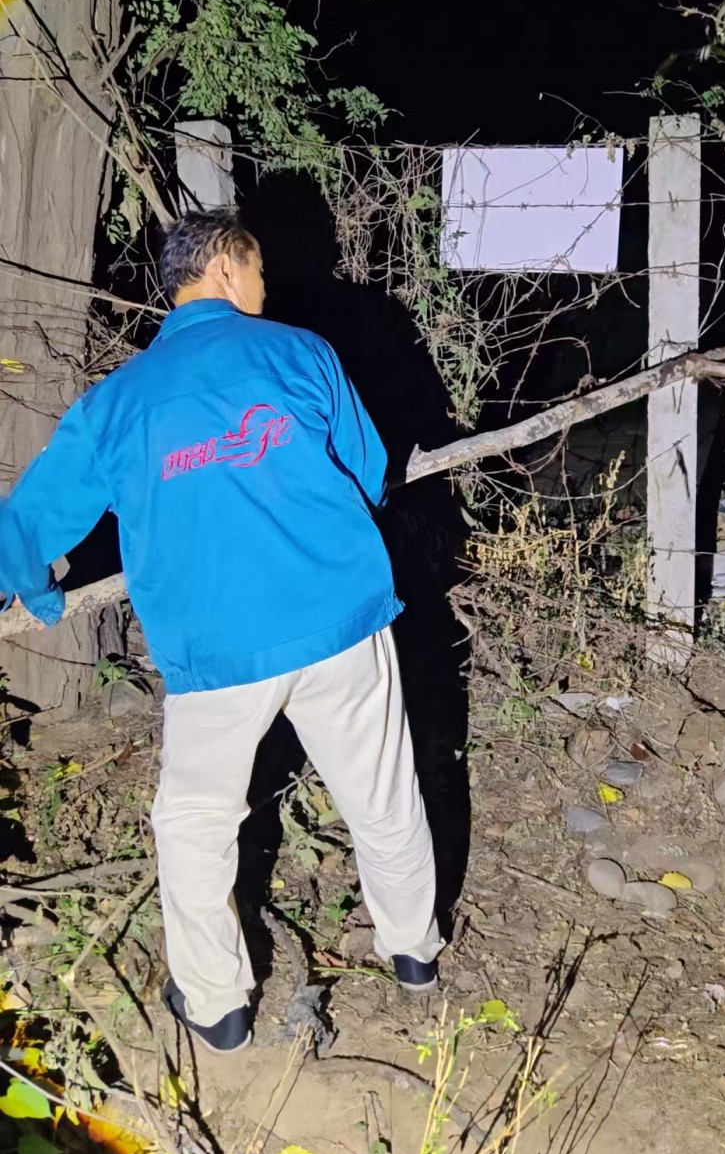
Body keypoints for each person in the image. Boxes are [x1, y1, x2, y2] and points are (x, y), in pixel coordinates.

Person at [0, 208, 443, 1053]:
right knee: (383, 795)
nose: (266, 287)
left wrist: (35, 589)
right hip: (338, 619)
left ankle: (218, 1006)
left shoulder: (115, 402)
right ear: (226, 269)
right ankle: (414, 950)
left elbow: (26, 525)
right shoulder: (300, 352)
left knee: (196, 824)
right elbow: (369, 469)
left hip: (216, 651)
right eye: (260, 270)